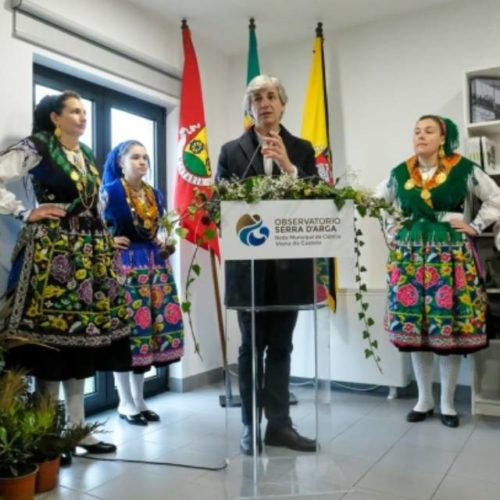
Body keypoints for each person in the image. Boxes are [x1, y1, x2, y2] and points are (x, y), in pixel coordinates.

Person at [0, 91, 131, 458]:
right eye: (74, 111)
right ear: (55, 117)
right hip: (51, 255)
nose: (82, 117)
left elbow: (96, 201)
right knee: (50, 343)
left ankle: (78, 432)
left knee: (80, 344)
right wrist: (26, 213)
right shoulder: (36, 146)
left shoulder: (86, 154)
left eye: (84, 111)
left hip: (88, 257)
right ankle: (48, 435)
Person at [216, 74, 318, 454]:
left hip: (290, 266)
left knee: (281, 346)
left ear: (282, 103)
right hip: (249, 266)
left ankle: (279, 425)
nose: (265, 103)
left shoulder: (303, 148)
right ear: (250, 108)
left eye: (271, 96)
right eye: (257, 98)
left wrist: (289, 166)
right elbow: (219, 202)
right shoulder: (231, 151)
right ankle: (249, 425)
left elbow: (319, 195)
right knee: (249, 347)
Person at [377, 114, 500, 428]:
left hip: (450, 256)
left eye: (428, 130)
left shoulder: (463, 169)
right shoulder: (399, 173)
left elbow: (496, 197)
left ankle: (446, 402)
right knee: (416, 329)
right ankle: (424, 399)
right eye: (416, 130)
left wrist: (474, 226)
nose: (421, 135)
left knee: (449, 326)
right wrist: (393, 230)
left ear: (443, 137)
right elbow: (376, 203)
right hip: (409, 260)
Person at [101, 140, 184, 425]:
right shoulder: (109, 192)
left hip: (153, 266)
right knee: (129, 333)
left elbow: (151, 229)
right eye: (135, 157)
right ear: (121, 162)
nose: (142, 162)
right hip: (125, 267)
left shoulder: (155, 195)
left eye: (145, 157)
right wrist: (107, 241)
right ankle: (124, 401)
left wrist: (161, 242)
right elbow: (93, 227)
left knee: (147, 333)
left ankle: (139, 399)